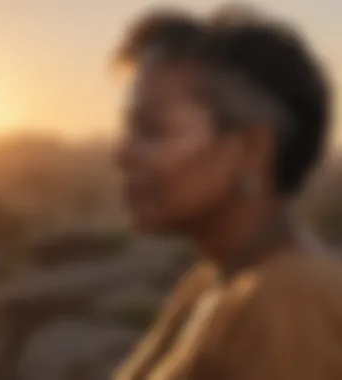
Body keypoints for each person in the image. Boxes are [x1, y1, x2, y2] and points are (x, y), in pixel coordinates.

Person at [113, 5, 342, 380]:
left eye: (153, 130)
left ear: (251, 149)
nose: (122, 154)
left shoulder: (291, 303)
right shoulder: (213, 281)